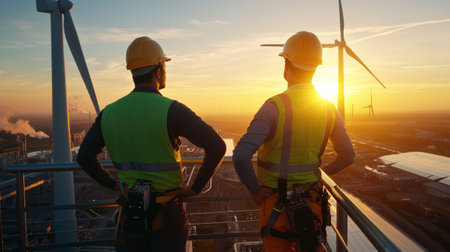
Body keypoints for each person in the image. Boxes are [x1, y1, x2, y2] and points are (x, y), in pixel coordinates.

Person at [77, 36, 226, 252]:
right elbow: (217, 146)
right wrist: (195, 187)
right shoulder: (172, 110)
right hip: (167, 212)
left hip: (132, 210)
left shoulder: (108, 113)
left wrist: (113, 185)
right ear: (158, 71)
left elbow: (84, 157)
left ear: (133, 73)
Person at [232, 31, 355, 252]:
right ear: (316, 67)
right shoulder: (328, 109)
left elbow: (241, 155)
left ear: (286, 65)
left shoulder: (274, 106)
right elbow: (347, 156)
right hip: (312, 200)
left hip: (274, 204)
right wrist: (318, 174)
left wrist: (256, 192)